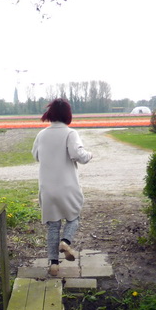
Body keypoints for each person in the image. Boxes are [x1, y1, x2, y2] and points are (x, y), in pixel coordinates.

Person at [32, 98, 92, 276]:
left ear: (50, 115)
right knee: (74, 217)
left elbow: (36, 156)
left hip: (47, 187)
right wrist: (90, 154)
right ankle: (66, 242)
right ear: (68, 114)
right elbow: (78, 155)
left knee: (52, 225)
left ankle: (53, 264)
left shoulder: (41, 135)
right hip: (67, 186)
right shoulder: (70, 133)